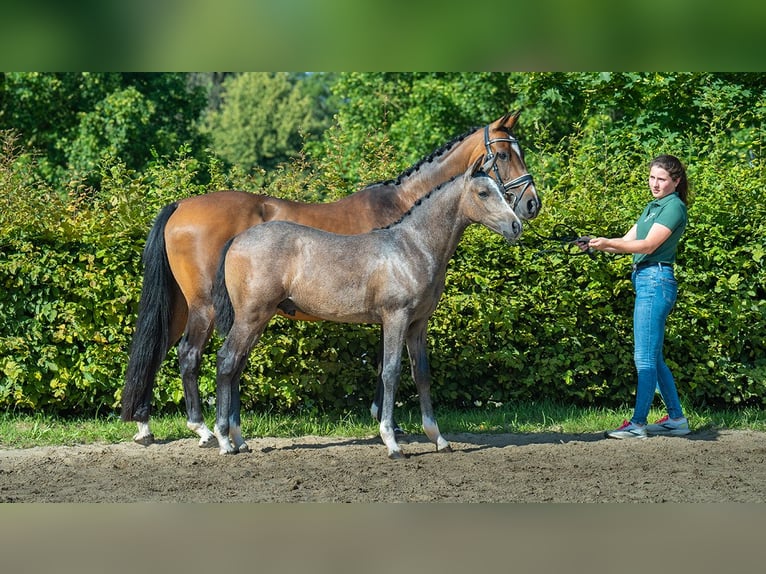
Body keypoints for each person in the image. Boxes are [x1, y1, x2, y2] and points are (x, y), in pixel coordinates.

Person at [578, 154, 691, 439]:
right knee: (654, 356)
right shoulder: (653, 207)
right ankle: (676, 419)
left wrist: (606, 243)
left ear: (676, 182)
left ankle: (638, 423)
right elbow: (628, 242)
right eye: (652, 177)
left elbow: (649, 245)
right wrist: (596, 244)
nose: (655, 184)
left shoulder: (673, 207)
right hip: (647, 280)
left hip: (656, 280)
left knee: (644, 358)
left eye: (661, 179)